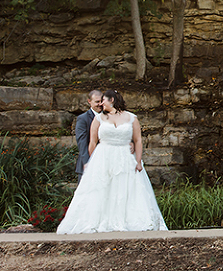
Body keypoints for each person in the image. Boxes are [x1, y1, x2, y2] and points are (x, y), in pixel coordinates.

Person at [57, 89, 167, 233]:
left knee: (126, 190)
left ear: (112, 100)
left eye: (104, 100)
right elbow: (92, 142)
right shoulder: (98, 119)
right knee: (103, 190)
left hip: (125, 158)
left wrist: (138, 161)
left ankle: (128, 221)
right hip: (104, 158)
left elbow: (138, 140)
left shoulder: (131, 117)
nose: (101, 103)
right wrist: (93, 162)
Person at [74, 90, 102, 182]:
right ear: (89, 101)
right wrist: (87, 162)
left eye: (101, 101)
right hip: (87, 162)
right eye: (97, 102)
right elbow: (82, 143)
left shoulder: (110, 117)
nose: (100, 104)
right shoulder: (83, 119)